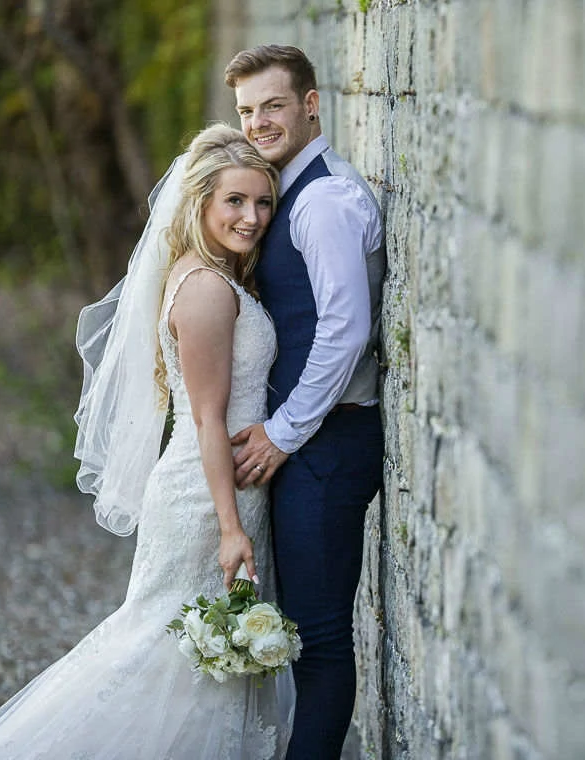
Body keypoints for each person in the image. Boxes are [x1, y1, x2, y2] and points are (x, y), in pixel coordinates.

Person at [0, 124, 295, 759]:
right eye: (234, 202)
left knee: (190, 659)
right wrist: (230, 527)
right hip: (206, 497)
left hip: (214, 487)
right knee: (172, 655)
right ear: (202, 203)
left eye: (262, 201)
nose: (252, 217)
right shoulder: (209, 289)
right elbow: (209, 418)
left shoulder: (205, 270)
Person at [225, 44, 386, 760]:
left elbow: (346, 329)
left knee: (319, 639)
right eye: (247, 110)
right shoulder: (287, 191)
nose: (259, 122)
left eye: (274, 105)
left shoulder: (322, 201)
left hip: (329, 445)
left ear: (312, 103)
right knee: (299, 629)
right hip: (309, 445)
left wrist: (285, 432)